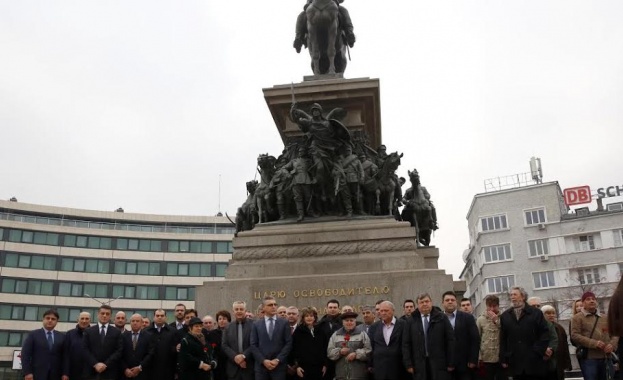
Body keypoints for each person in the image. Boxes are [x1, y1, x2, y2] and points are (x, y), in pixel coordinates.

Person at [499, 287, 549, 380]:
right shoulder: (505, 316)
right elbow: (503, 338)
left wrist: (538, 351)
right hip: (514, 361)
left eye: (515, 294)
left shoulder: (536, 313)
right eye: (511, 295)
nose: (512, 297)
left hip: (533, 361)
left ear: (523, 297)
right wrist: (503, 357)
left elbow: (544, 334)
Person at [402, 293, 455, 380]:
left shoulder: (442, 317)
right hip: (419, 364)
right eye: (421, 302)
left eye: (427, 301)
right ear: (418, 305)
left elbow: (450, 340)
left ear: (431, 302)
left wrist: (451, 362)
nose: (425, 304)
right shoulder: (411, 321)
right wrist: (408, 364)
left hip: (439, 363)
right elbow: (406, 344)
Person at [571, 291, 618, 380]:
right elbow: (575, 335)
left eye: (593, 299)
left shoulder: (605, 317)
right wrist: (593, 343)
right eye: (588, 299)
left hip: (606, 358)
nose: (592, 301)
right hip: (589, 359)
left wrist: (612, 345)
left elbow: (615, 333)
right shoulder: (577, 318)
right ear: (583, 303)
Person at [250, 296, 293, 380]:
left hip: (279, 368)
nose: (273, 306)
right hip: (261, 368)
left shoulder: (284, 323)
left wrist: (277, 360)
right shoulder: (256, 324)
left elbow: (288, 343)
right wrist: (263, 361)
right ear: (263, 308)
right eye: (270, 305)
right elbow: (253, 345)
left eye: (275, 304)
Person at [441, 291, 479, 380]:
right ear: (442, 303)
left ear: (456, 303)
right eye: (447, 300)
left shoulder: (467, 318)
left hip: (465, 364)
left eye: (452, 300)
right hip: (445, 365)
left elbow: (475, 339)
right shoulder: (438, 319)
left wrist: (473, 359)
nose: (450, 302)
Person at [21, 309, 68, 380]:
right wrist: (27, 372)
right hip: (36, 374)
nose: (50, 320)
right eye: (47, 318)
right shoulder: (33, 335)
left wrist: (65, 373)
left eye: (53, 319)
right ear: (43, 319)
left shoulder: (62, 337)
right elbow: (25, 355)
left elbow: (65, 357)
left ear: (57, 321)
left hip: (56, 375)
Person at [368, 301, 409, 380]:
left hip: (399, 367)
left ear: (393, 311)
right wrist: (370, 364)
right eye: (381, 311)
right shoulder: (374, 327)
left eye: (386, 311)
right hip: (380, 368)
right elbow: (371, 346)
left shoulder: (403, 324)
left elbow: (406, 345)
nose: (383, 313)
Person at [83, 304, 124, 380]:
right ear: (98, 314)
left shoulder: (117, 332)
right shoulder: (88, 331)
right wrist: (95, 364)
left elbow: (119, 350)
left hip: (110, 372)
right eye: (102, 313)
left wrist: (105, 364)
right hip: (91, 372)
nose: (104, 316)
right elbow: (85, 349)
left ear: (111, 316)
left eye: (107, 314)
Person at [327, 311, 371, 380]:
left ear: (355, 322)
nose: (349, 322)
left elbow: (368, 351)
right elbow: (330, 353)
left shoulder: (362, 334)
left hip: (358, 375)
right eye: (347, 321)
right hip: (341, 375)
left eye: (351, 320)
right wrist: (340, 351)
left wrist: (356, 354)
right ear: (343, 322)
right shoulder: (336, 335)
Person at [291, 307, 329, 380]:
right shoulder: (298, 332)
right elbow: (294, 351)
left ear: (315, 318)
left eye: (311, 316)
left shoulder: (320, 331)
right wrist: (297, 367)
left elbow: (325, 349)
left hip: (319, 368)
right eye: (307, 316)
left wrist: (325, 364)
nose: (309, 318)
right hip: (303, 369)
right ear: (303, 318)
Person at [222, 301, 254, 380]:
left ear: (245, 311)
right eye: (236, 309)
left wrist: (243, 356)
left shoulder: (254, 325)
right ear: (233, 312)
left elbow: (255, 343)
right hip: (233, 369)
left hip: (249, 367)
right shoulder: (228, 327)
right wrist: (235, 357)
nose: (239, 311)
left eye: (241, 309)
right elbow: (224, 345)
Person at [282, 147, 315, 221]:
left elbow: (313, 169)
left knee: (308, 197)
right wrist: (288, 174)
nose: (301, 152)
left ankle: (311, 212)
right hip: (296, 181)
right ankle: (300, 215)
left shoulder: (309, 161)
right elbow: (283, 168)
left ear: (305, 152)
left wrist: (314, 178)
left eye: (302, 151)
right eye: (300, 151)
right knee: (298, 198)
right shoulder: (294, 161)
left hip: (306, 180)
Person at [476, 295, 503, 380]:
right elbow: (477, 339)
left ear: (498, 306)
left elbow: (507, 333)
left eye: (494, 306)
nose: (491, 309)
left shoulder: (503, 318)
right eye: (489, 306)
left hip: (500, 357)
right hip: (486, 358)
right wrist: (480, 357)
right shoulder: (480, 319)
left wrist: (496, 320)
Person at [145, 309, 177, 380]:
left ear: (165, 317)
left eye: (162, 316)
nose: (160, 317)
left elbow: (175, 351)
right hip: (150, 370)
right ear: (154, 317)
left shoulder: (173, 332)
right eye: (157, 315)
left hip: (167, 370)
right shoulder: (146, 331)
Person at [541, 305, 572, 380]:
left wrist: (567, 363)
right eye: (548, 313)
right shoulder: (540, 328)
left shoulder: (559, 328)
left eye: (553, 313)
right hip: (545, 362)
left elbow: (565, 346)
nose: (551, 315)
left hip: (558, 362)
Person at [121, 313, 154, 380]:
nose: (135, 323)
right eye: (133, 321)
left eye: (137, 321)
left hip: (142, 373)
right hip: (126, 374)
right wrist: (125, 369)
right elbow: (120, 354)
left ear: (141, 323)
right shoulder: (123, 336)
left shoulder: (149, 336)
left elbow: (150, 354)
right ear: (130, 322)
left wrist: (140, 367)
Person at [66, 311, 91, 380]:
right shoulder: (69, 334)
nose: (84, 321)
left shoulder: (95, 334)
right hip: (73, 373)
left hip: (90, 374)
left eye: (87, 319)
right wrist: (65, 372)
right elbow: (66, 354)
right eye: (82, 318)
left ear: (90, 321)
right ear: (78, 320)